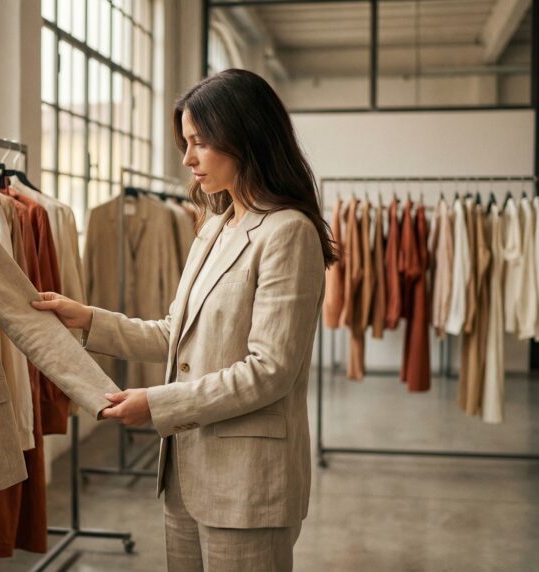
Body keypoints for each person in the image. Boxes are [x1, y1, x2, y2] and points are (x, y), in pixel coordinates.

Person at [32, 69, 337, 572]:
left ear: (244, 138)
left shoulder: (287, 233)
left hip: (248, 485)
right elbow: (174, 333)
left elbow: (270, 370)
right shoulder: (214, 226)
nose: (187, 158)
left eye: (200, 142)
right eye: (186, 142)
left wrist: (156, 404)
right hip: (187, 474)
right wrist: (86, 318)